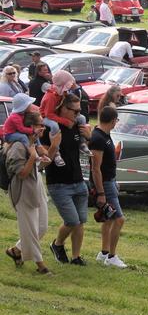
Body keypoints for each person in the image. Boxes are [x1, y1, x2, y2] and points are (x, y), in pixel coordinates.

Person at [44, 93, 92, 266]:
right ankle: (57, 245)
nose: (78, 114)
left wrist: (89, 136)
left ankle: (76, 257)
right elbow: (43, 160)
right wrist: (54, 146)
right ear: (63, 108)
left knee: (80, 221)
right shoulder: (51, 128)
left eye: (80, 110)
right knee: (72, 220)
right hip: (58, 183)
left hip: (78, 181)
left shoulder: (76, 125)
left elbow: (88, 148)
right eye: (74, 110)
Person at [4, 111, 53, 275]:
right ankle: (41, 266)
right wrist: (32, 158)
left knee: (42, 227)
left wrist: (43, 162)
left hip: (36, 186)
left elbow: (34, 170)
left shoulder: (33, 143)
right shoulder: (18, 146)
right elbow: (22, 174)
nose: (43, 128)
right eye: (40, 125)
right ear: (30, 127)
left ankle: (16, 251)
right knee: (30, 229)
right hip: (23, 191)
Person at [90, 106, 127, 268]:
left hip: (110, 181)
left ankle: (103, 253)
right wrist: (101, 192)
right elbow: (95, 168)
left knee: (109, 218)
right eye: (116, 120)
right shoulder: (98, 138)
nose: (116, 123)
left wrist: (114, 180)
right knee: (119, 219)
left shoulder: (105, 135)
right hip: (105, 184)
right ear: (112, 120)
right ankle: (112, 257)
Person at [40, 70, 92, 166]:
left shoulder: (62, 92)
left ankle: (82, 143)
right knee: (54, 126)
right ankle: (56, 154)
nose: (67, 89)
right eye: (66, 86)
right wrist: (65, 121)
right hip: (45, 116)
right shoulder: (50, 96)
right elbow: (48, 114)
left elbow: (68, 100)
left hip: (56, 114)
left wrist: (88, 136)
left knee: (82, 118)